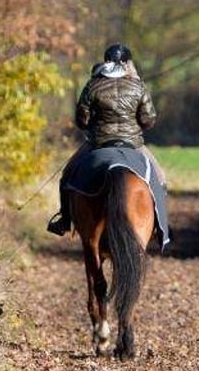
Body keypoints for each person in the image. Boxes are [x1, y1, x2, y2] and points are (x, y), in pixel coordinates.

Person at [47, 42, 158, 236]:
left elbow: (82, 120)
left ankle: (64, 221)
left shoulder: (93, 84)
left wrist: (93, 125)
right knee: (159, 178)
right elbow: (148, 120)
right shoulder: (138, 86)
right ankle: (160, 226)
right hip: (132, 145)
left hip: (99, 144)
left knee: (67, 175)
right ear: (126, 63)